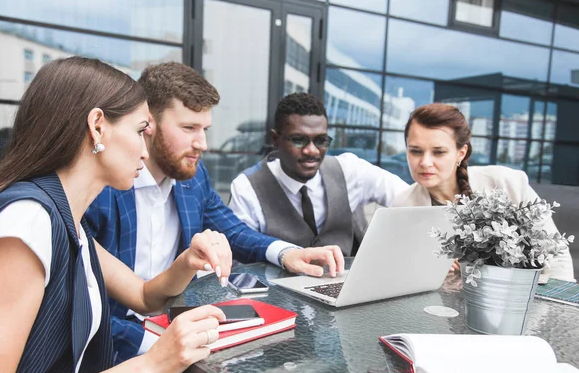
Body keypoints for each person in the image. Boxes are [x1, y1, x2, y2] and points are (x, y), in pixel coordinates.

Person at [0, 57, 228, 373]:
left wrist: (187, 262)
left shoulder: (66, 219)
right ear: (97, 126)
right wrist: (152, 366)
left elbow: (143, 295)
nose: (145, 150)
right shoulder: (26, 224)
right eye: (140, 131)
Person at [85, 63, 345, 365]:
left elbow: (232, 230)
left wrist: (287, 253)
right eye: (188, 128)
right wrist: (160, 346)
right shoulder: (101, 188)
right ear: (148, 123)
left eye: (204, 129)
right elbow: (83, 306)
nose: (203, 144)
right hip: (119, 346)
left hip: (180, 324)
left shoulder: (192, 177)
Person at [392, 102, 574, 281]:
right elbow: (402, 273)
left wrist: (559, 306)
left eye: (438, 152)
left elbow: (556, 255)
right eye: (415, 151)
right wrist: (433, 268)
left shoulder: (505, 183)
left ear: (461, 153)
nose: (425, 162)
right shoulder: (402, 206)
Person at [229, 92, 409, 257]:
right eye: (298, 140)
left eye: (321, 140)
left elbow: (409, 199)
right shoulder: (247, 187)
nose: (311, 151)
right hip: (277, 290)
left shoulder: (350, 170)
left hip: (347, 286)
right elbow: (241, 251)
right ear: (276, 139)